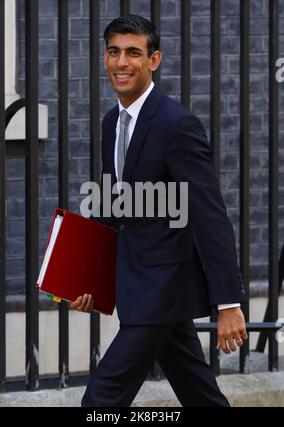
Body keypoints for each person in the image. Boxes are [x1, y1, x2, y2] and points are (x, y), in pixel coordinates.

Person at [71, 14, 248, 407]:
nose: (121, 62)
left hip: (160, 290)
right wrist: (89, 281)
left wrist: (229, 303)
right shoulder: (111, 121)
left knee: (100, 401)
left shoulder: (175, 124)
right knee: (200, 395)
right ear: (104, 58)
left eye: (133, 52)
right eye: (114, 52)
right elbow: (112, 208)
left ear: (154, 60)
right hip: (142, 287)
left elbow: (208, 214)